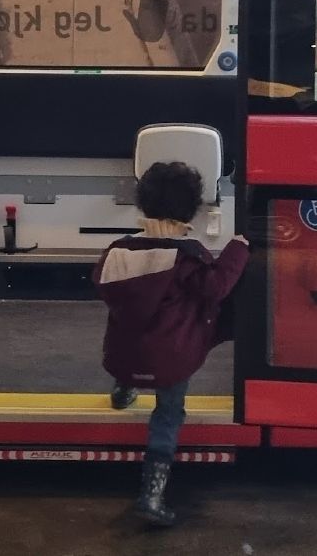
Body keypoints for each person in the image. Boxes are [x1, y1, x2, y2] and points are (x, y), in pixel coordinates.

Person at [95, 161, 250, 528]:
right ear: (190, 209)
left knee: (134, 334)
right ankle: (152, 494)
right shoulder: (187, 256)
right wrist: (237, 249)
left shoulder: (118, 251)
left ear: (142, 203)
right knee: (168, 413)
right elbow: (216, 288)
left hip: (122, 354)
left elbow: (108, 286)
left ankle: (123, 390)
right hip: (170, 358)